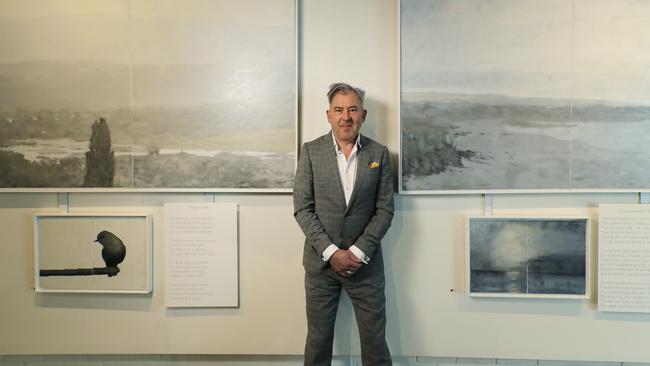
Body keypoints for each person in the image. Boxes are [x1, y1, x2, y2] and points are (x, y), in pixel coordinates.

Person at [293, 82, 395, 366]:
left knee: (375, 343)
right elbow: (303, 208)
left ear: (363, 114)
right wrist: (332, 252)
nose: (345, 116)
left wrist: (357, 252)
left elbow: (385, 210)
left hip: (365, 265)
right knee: (318, 341)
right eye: (339, 110)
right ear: (328, 115)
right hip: (321, 266)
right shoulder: (311, 152)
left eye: (352, 109)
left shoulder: (379, 154)